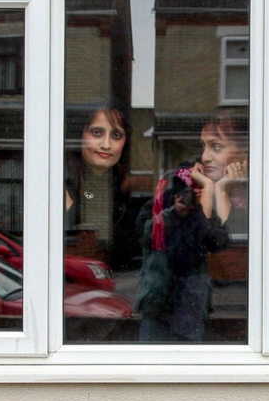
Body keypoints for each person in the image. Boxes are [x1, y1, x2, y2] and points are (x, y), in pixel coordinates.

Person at [135, 115, 245, 342]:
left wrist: (201, 208)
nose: (189, 192)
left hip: (190, 300)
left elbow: (219, 241)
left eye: (196, 185)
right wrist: (174, 214)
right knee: (151, 359)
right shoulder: (160, 204)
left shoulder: (203, 210)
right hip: (157, 297)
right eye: (187, 187)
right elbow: (144, 234)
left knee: (189, 359)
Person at [64, 106, 135, 268]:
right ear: (81, 135)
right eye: (97, 133)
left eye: (116, 135)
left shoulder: (120, 183)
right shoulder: (60, 179)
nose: (106, 144)